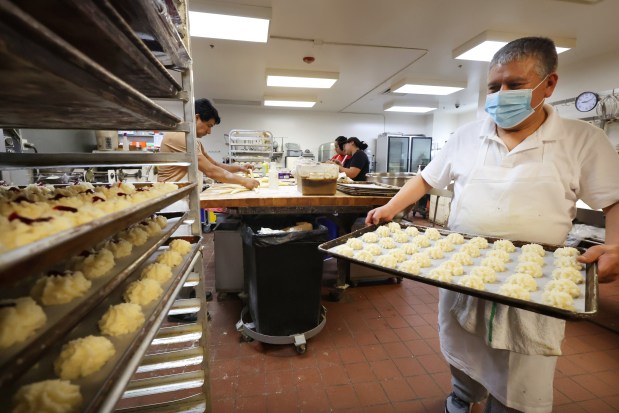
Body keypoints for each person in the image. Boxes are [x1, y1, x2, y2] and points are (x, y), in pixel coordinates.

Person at [366, 37, 619, 413]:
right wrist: (390, 207)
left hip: (532, 283)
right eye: (493, 86)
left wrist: (615, 247)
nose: (501, 94)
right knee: (460, 343)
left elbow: (613, 201)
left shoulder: (583, 140)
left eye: (514, 85)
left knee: (520, 367)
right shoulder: (468, 135)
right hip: (461, 268)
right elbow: (426, 179)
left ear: (549, 84)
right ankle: (463, 396)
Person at [158, 98, 260, 190]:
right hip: (172, 199)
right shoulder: (180, 135)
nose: (209, 131)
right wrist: (244, 181)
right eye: (208, 125)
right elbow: (210, 170)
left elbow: (214, 165)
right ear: (197, 118)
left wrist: (240, 168)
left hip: (182, 198)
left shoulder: (193, 140)